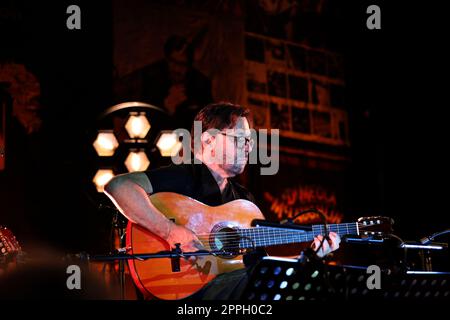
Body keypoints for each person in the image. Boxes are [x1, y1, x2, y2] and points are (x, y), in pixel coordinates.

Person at [104, 102, 340, 299]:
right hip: (182, 292)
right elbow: (118, 186)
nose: (249, 147)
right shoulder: (184, 176)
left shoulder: (245, 201)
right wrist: (171, 232)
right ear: (208, 141)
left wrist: (310, 256)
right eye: (240, 139)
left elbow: (262, 273)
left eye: (250, 140)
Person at [116, 35, 213, 131]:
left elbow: (207, 121)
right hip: (156, 138)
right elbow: (140, 118)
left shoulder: (201, 84)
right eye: (173, 62)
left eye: (182, 64)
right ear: (167, 59)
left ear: (189, 65)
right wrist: (166, 107)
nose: (176, 69)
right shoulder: (151, 77)